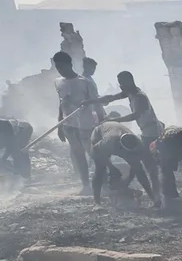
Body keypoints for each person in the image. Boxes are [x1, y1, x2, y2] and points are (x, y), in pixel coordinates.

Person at [52, 52, 98, 192]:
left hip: (85, 125)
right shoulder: (58, 82)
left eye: (62, 66)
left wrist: (100, 122)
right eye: (57, 67)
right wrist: (60, 125)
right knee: (79, 156)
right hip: (69, 125)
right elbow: (61, 104)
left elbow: (97, 104)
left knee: (94, 154)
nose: (59, 69)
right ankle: (86, 185)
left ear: (70, 64)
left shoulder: (85, 82)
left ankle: (103, 182)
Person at [89, 121, 158, 207]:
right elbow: (97, 151)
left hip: (116, 135)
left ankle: (153, 198)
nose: (128, 156)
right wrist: (111, 167)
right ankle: (97, 202)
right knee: (100, 169)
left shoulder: (139, 145)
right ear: (120, 146)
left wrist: (128, 179)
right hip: (99, 134)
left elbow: (137, 169)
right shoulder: (109, 141)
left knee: (139, 171)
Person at [103, 71, 163, 143]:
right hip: (147, 130)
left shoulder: (139, 96)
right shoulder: (130, 93)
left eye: (122, 83)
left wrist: (115, 120)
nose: (121, 86)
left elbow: (135, 115)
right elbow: (113, 97)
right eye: (120, 84)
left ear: (129, 81)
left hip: (152, 132)